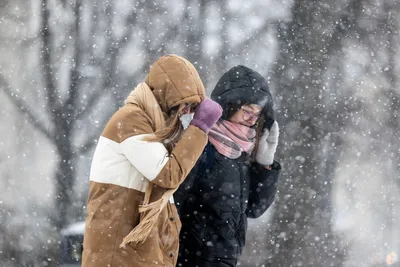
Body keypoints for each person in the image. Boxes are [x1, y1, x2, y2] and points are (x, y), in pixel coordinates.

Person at [82, 54, 222, 267]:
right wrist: (200, 127)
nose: (186, 112)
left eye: (192, 109)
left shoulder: (158, 131)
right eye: (185, 104)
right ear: (166, 95)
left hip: (133, 255)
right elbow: (168, 174)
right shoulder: (131, 120)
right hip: (118, 255)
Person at [175, 65, 282, 267]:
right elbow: (175, 200)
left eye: (257, 114)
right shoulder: (202, 145)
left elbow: (254, 209)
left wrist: (264, 162)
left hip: (227, 260)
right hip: (191, 258)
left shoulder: (241, 155)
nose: (252, 120)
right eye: (247, 111)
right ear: (228, 105)